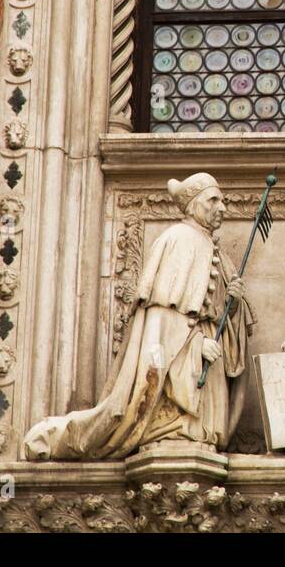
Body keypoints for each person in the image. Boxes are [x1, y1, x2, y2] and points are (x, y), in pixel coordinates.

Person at [23, 173, 253, 459]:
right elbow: (161, 320)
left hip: (208, 357)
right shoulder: (178, 240)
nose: (223, 208)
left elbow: (219, 315)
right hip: (188, 355)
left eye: (224, 200)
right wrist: (196, 347)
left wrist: (233, 304)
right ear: (194, 204)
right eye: (214, 200)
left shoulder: (214, 248)